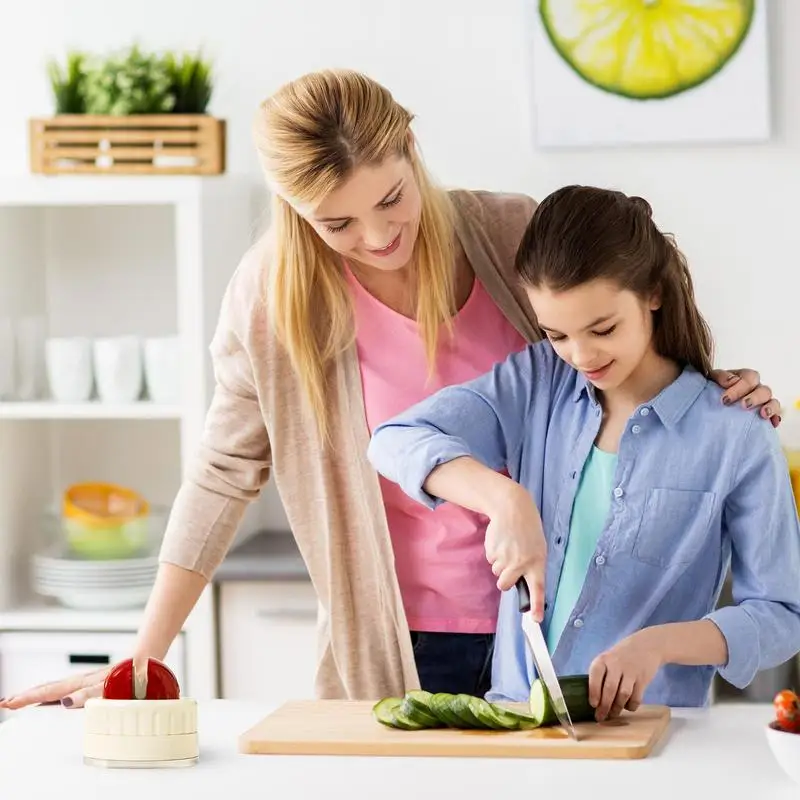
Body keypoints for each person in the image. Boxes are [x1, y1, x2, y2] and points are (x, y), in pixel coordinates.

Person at [0, 72, 781, 711]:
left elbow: (612, 315)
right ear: (297, 212)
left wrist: (710, 386)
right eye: (337, 223)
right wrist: (142, 658)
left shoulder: (510, 234)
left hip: (543, 626)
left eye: (390, 199)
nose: (377, 238)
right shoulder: (275, 300)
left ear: (411, 148)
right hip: (398, 632)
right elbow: (223, 471)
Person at [366, 184, 800, 719]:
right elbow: (395, 439)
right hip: (520, 719)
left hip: (654, 729)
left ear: (654, 294)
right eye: (557, 335)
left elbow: (783, 615)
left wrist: (659, 644)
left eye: (603, 329)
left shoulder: (737, 433)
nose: (581, 355)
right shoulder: (536, 382)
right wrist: (504, 500)